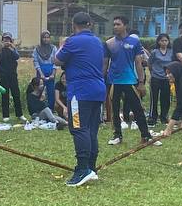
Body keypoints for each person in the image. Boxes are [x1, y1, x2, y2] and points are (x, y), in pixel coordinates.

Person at [55, 12, 108, 187]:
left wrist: (62, 45)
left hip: (80, 93)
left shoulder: (72, 41)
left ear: (73, 25)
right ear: (90, 24)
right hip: (98, 90)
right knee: (92, 129)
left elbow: (57, 60)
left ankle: (82, 169)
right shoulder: (98, 42)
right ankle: (91, 167)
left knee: (78, 128)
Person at [105, 17, 158, 147]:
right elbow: (105, 64)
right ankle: (117, 135)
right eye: (114, 24)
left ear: (125, 25)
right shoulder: (109, 43)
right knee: (115, 110)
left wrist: (141, 82)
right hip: (114, 82)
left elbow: (138, 63)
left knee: (138, 109)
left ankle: (145, 135)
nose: (115, 26)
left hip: (130, 81)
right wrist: (102, 80)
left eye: (118, 24)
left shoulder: (134, 42)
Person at [0, 33, 25, 122]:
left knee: (16, 94)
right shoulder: (0, 49)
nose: (6, 41)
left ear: (11, 40)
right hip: (3, 75)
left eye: (8, 40)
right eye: (5, 39)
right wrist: (1, 47)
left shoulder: (13, 49)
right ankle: (5, 115)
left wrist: (12, 48)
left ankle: (20, 114)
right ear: (2, 40)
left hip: (13, 74)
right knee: (5, 94)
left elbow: (17, 56)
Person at [147, 33, 173, 125]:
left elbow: (173, 64)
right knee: (154, 98)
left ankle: (164, 117)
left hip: (166, 78)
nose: (164, 42)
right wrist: (152, 73)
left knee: (165, 99)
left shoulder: (171, 52)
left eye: (166, 40)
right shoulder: (155, 52)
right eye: (162, 40)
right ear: (158, 41)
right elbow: (149, 63)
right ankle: (152, 117)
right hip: (156, 78)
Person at [32, 30, 59, 110]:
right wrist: (41, 74)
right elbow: (36, 62)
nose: (46, 39)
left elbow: (55, 61)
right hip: (41, 72)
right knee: (40, 90)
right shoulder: (37, 49)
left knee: (51, 91)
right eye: (44, 37)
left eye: (47, 37)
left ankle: (50, 109)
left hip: (51, 72)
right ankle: (40, 108)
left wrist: (53, 73)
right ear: (41, 38)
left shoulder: (53, 48)